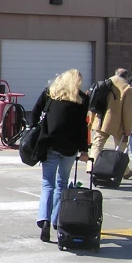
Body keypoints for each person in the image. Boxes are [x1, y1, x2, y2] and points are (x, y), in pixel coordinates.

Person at [31, 69, 90, 242]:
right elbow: (82, 128)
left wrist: (35, 129)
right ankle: (57, 220)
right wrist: (84, 150)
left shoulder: (50, 94)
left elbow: (34, 113)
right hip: (69, 148)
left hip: (49, 145)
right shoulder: (81, 100)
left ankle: (44, 220)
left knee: (47, 184)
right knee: (62, 183)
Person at [88, 68, 132, 179]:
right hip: (117, 122)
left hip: (100, 119)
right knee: (120, 149)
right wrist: (128, 128)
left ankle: (91, 166)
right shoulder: (127, 88)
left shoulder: (104, 83)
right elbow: (127, 111)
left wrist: (92, 119)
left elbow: (94, 102)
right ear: (126, 77)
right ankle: (123, 171)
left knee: (97, 144)